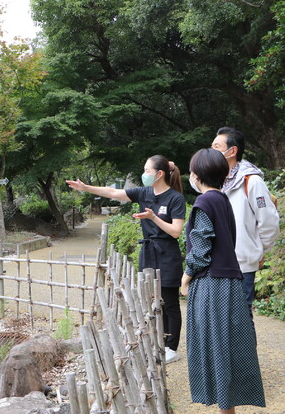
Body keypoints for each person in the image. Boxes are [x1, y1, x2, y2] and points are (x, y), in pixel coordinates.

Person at [67, 155, 186, 363]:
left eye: (147, 171)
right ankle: (157, 341)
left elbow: (176, 231)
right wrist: (85, 188)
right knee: (151, 300)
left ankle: (171, 348)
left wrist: (153, 217)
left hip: (167, 253)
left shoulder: (175, 198)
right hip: (148, 251)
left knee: (169, 302)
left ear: (159, 174)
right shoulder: (144, 193)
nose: (144, 174)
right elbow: (113, 192)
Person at [181, 148, 265, 413]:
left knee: (213, 347)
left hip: (211, 284)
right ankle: (228, 409)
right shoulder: (223, 200)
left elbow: (201, 248)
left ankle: (225, 409)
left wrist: (186, 277)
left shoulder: (204, 203)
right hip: (230, 283)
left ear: (196, 175)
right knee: (228, 348)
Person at [211, 127, 280, 307]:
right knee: (222, 315)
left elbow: (269, 222)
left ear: (232, 151)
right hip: (217, 262)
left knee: (241, 316)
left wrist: (259, 251)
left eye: (216, 147)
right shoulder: (217, 181)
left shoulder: (251, 181)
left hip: (242, 263)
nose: (211, 151)